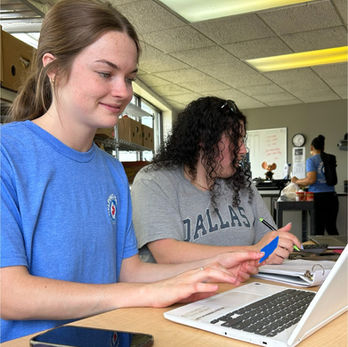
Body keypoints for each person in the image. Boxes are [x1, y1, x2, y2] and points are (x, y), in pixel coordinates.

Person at [0, 1, 264, 342]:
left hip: (107, 336)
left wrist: (212, 268)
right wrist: (142, 295)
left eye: (129, 77)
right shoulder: (8, 153)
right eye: (106, 73)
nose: (124, 92)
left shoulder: (111, 169)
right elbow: (9, 293)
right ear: (53, 70)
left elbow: (130, 270)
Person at [131, 97, 302, 265]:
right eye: (236, 140)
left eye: (243, 140)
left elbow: (266, 235)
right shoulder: (154, 181)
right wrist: (252, 252)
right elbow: (167, 254)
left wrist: (276, 246)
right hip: (184, 290)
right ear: (204, 141)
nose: (243, 149)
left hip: (244, 286)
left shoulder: (242, 184)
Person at [292, 135, 339, 235]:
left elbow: (311, 179)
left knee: (318, 231)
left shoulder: (311, 160)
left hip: (318, 199)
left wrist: (296, 181)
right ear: (323, 147)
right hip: (332, 197)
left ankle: (318, 251)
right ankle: (340, 251)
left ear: (311, 148)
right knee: (331, 229)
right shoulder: (330, 158)